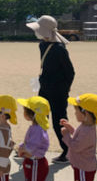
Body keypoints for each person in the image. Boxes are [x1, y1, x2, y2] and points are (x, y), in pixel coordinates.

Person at [27, 15, 75, 164]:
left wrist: (63, 90)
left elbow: (70, 72)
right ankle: (33, 146)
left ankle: (68, 150)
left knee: (58, 121)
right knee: (39, 117)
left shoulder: (60, 49)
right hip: (45, 88)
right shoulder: (42, 45)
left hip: (58, 92)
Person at [16, 96, 50, 181]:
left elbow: (30, 148)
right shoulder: (36, 127)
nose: (23, 112)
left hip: (35, 163)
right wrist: (21, 147)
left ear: (32, 114)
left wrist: (21, 151)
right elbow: (29, 143)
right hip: (33, 163)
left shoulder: (37, 129)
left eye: (25, 110)